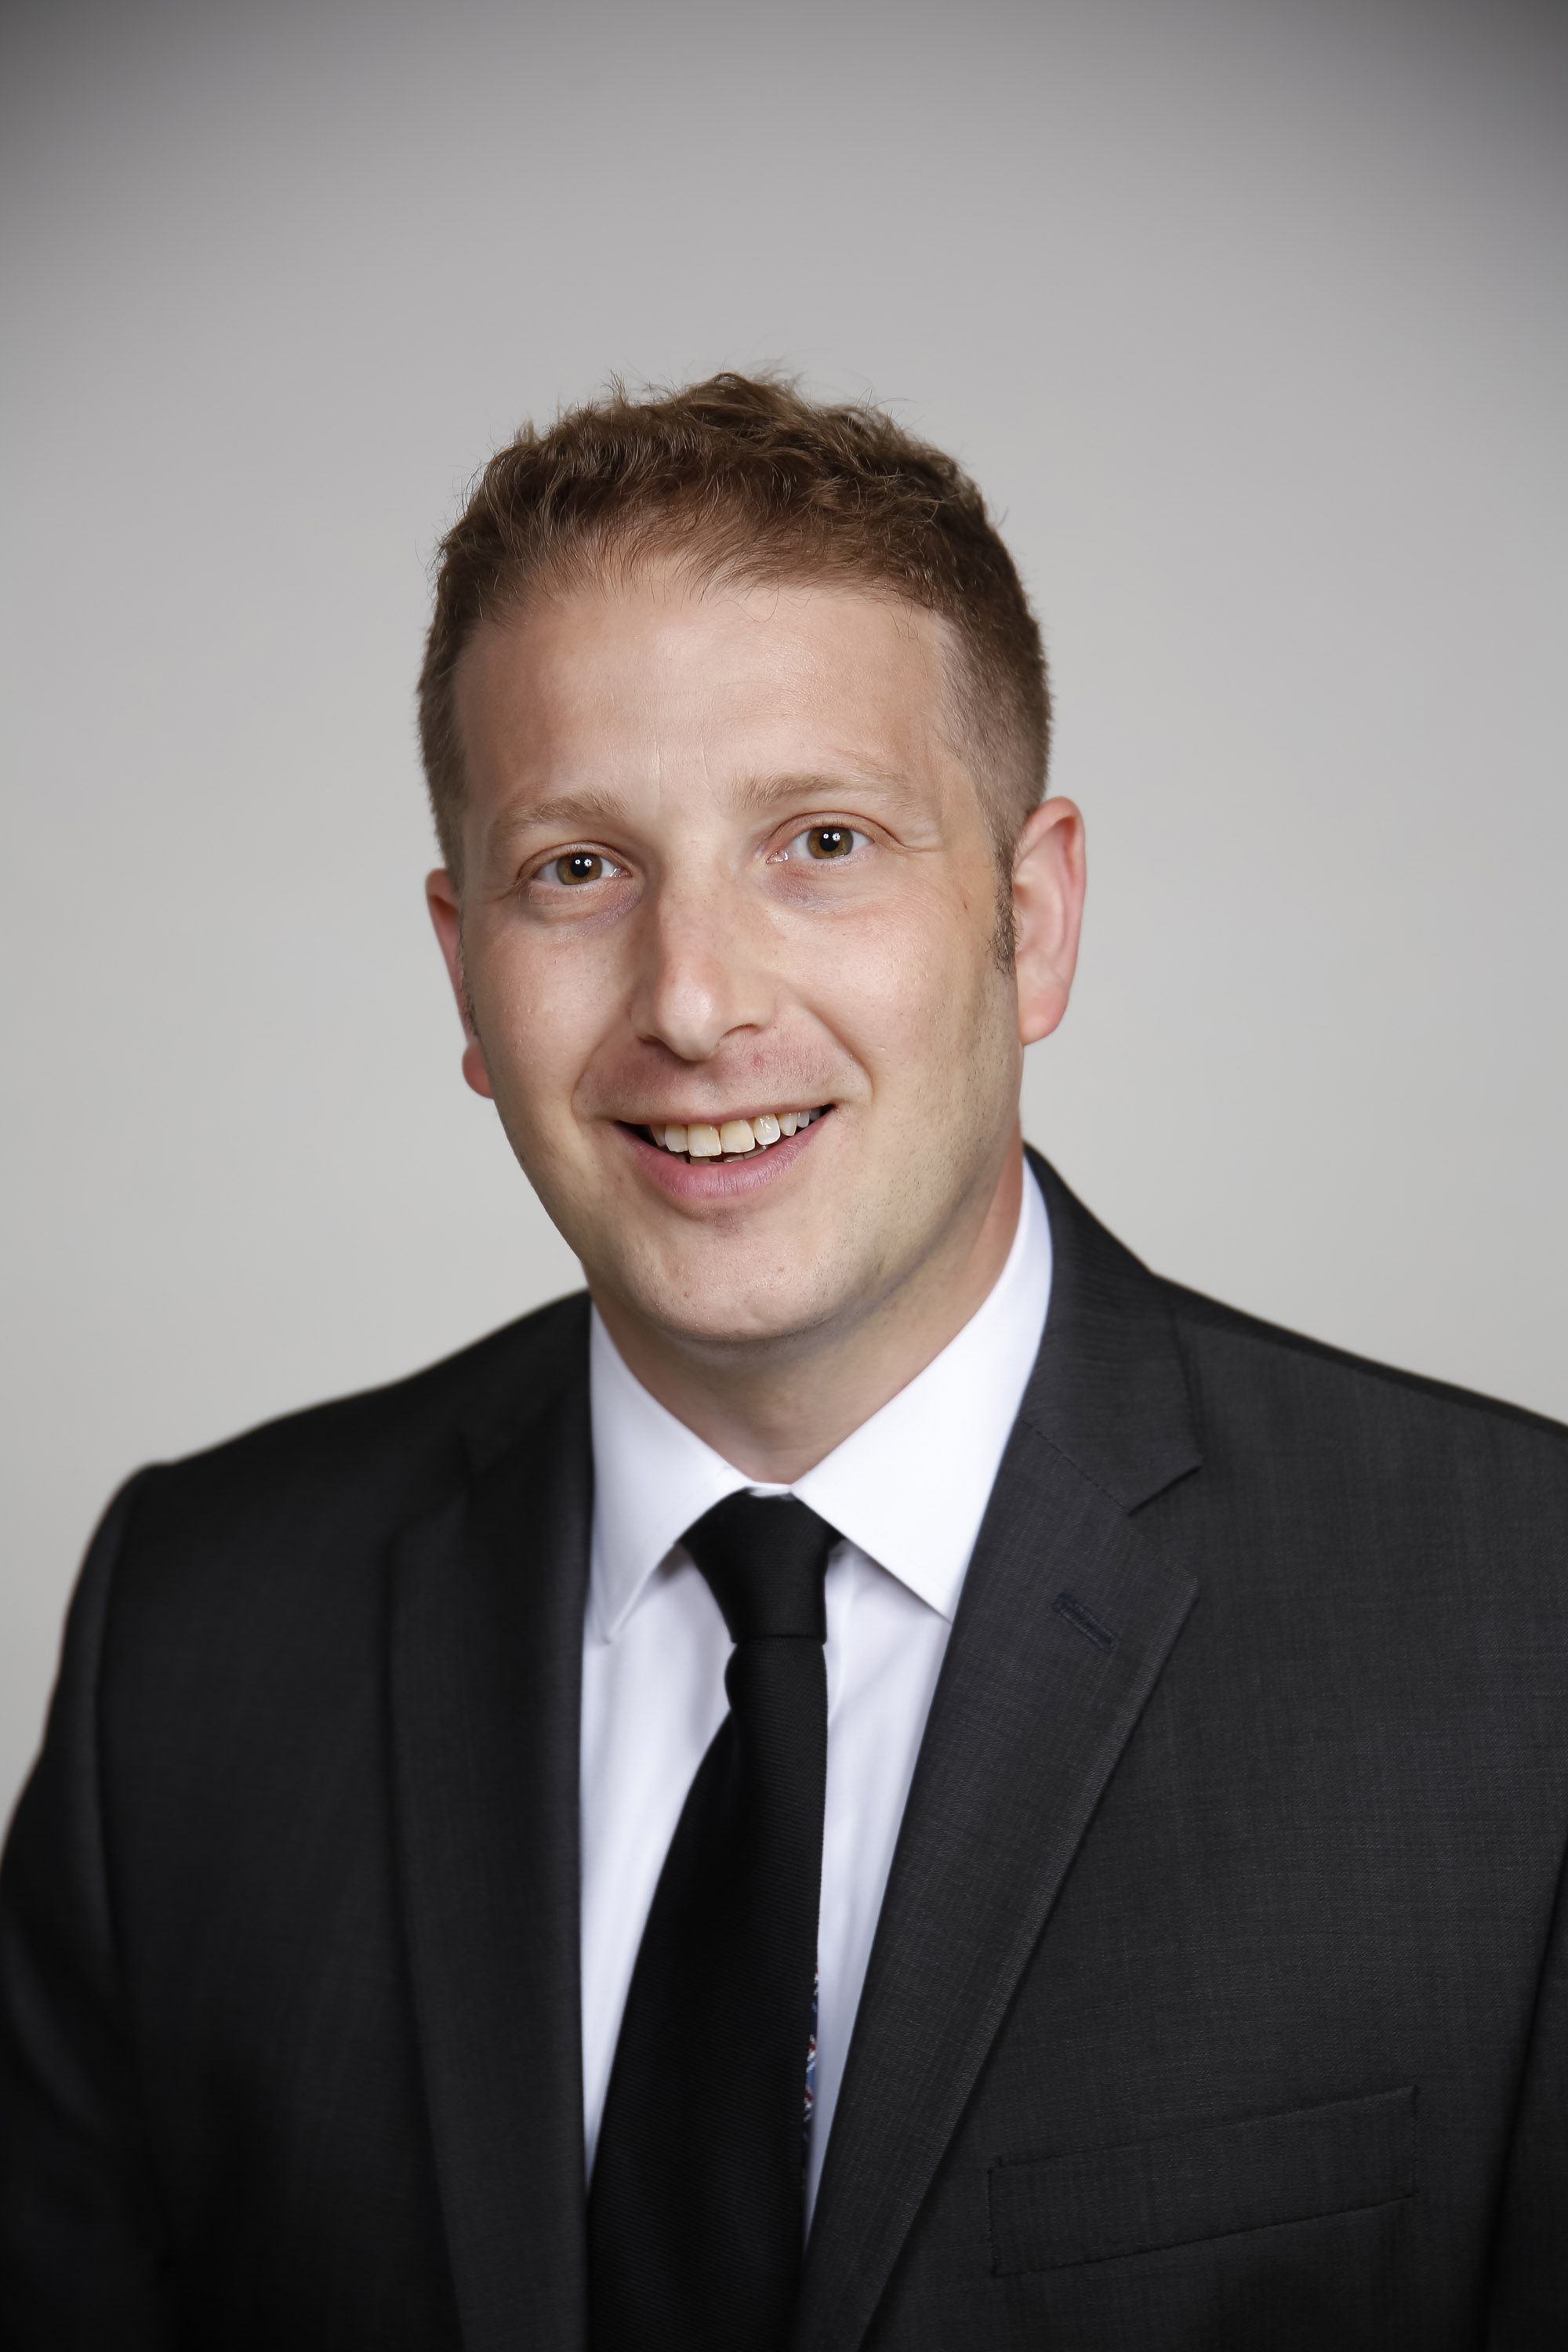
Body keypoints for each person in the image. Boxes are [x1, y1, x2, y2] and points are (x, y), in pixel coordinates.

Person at [1, 373, 1565, 2352]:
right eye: (577, 867)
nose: (694, 1000)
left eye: (821, 840)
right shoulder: (194, 1634)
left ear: (1031, 919)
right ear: (463, 964)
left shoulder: (1520, 1630)